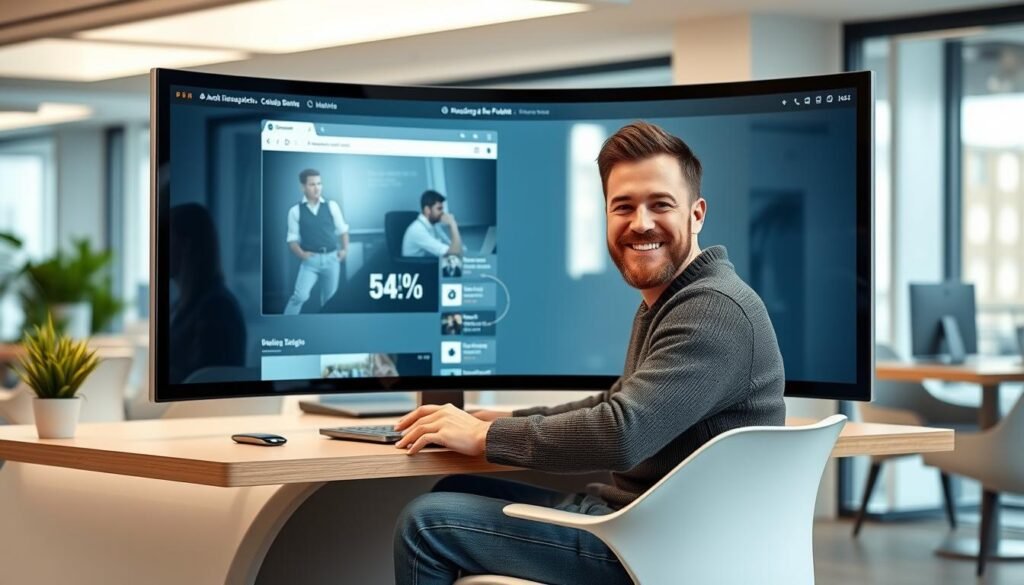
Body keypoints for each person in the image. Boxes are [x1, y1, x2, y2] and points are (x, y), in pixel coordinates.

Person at [392, 121, 787, 584]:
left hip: (669, 551)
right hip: (640, 523)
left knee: (426, 523)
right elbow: (613, 402)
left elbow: (622, 433)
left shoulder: (713, 310)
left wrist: (487, 439)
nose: (641, 223)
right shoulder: (674, 298)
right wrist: (495, 421)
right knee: (456, 488)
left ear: (696, 215)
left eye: (660, 204)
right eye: (624, 207)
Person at [167, 203, 246, 384]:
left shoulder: (217, 308)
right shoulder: (185, 305)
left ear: (186, 245)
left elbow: (205, 380)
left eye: (167, 240)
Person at [283, 168, 350, 315]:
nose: (317, 188)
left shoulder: (332, 206)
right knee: (300, 296)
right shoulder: (295, 211)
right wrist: (302, 255)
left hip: (332, 258)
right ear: (303, 187)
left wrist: (344, 250)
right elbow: (292, 240)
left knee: (330, 300)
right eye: (312, 184)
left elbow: (342, 230)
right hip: (310, 262)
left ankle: (327, 331)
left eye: (319, 183)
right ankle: (285, 325)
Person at [401, 190, 463, 258]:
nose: (443, 213)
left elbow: (452, 246)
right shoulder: (417, 230)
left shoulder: (433, 224)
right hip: (417, 267)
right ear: (427, 210)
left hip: (430, 264)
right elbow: (454, 254)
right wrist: (453, 224)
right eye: (439, 209)